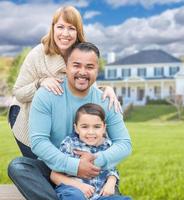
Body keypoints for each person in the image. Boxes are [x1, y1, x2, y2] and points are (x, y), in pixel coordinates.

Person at [8, 42, 132, 200]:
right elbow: (38, 142)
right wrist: (74, 166)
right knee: (18, 167)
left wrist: (94, 161)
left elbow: (124, 144)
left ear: (97, 70)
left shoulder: (106, 100)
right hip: (54, 168)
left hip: (94, 171)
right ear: (66, 67)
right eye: (76, 65)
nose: (82, 72)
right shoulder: (46, 95)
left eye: (89, 67)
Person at [8, 5, 121, 159]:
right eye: (60, 27)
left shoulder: (81, 53)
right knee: (41, 165)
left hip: (57, 119)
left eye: (71, 28)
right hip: (25, 114)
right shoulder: (38, 54)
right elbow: (18, 92)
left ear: (78, 31)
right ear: (53, 28)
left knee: (61, 164)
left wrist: (105, 88)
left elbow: (85, 83)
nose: (65, 34)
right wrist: (40, 82)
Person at [51, 103, 131, 200]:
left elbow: (112, 170)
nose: (91, 132)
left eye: (97, 127)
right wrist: (80, 186)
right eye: (85, 127)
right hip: (73, 190)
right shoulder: (69, 144)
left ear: (104, 128)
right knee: (74, 196)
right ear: (76, 128)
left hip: (99, 194)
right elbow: (54, 175)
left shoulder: (107, 146)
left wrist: (111, 182)